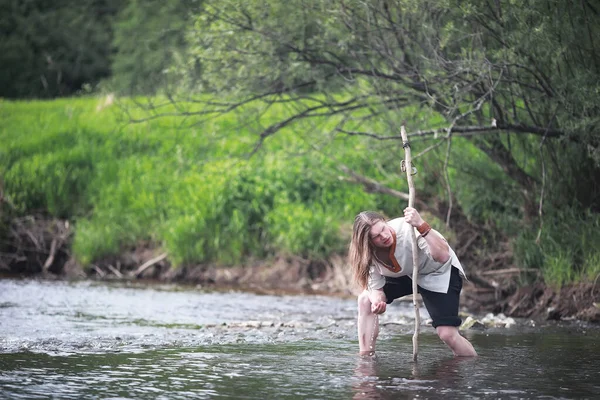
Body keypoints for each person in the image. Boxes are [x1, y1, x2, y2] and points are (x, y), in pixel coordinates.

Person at [348, 207, 477, 357]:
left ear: (384, 221)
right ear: (368, 242)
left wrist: (421, 225)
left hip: (439, 272)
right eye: (376, 237)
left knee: (447, 334)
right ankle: (366, 357)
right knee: (366, 300)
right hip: (407, 274)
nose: (384, 236)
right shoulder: (367, 254)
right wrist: (378, 303)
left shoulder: (409, 229)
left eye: (383, 228)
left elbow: (443, 256)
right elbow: (376, 289)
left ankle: (472, 365)